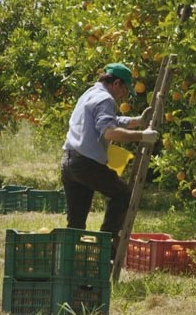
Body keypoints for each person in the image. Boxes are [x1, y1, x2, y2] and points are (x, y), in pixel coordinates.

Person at [61, 62, 159, 260]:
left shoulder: (89, 94)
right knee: (122, 195)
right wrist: (142, 135)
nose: (123, 94)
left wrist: (137, 121)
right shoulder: (106, 99)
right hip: (86, 164)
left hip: (69, 163)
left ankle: (67, 266)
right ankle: (106, 247)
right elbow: (110, 131)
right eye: (124, 89)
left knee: (76, 223)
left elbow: (111, 120)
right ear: (116, 83)